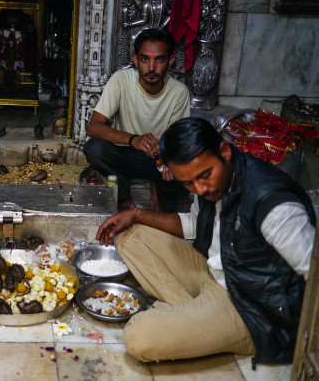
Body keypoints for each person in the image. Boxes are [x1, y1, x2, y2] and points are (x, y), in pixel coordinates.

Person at [97, 117, 316, 364]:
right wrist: (136, 214)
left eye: (205, 175)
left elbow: (313, 273)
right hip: (213, 271)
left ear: (224, 151)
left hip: (248, 306)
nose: (200, 189)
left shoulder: (273, 205)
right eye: (188, 183)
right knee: (129, 234)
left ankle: (222, 328)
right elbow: (193, 224)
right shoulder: (214, 182)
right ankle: (196, 316)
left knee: (138, 336)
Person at [83, 27, 190, 212]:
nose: (151, 67)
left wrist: (170, 163)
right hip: (125, 153)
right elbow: (93, 127)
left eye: (160, 59)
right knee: (95, 148)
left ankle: (159, 188)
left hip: (157, 159)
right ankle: (123, 196)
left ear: (170, 61)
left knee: (185, 169)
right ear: (135, 60)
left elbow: (178, 142)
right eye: (144, 59)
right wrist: (134, 139)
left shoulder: (179, 92)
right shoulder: (121, 80)